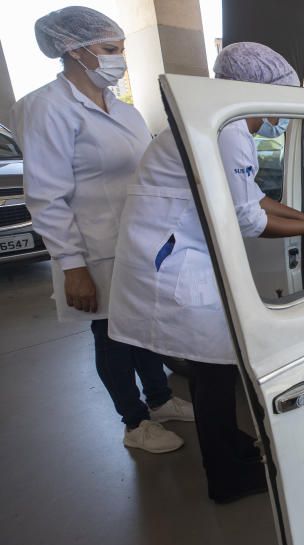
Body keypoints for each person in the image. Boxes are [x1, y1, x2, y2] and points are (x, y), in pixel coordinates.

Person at [108, 42, 304, 503]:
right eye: (284, 94)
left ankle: (231, 446)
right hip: (175, 261)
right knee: (214, 368)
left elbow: (253, 195)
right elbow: (249, 219)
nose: (286, 107)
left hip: (178, 253)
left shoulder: (226, 124)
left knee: (212, 366)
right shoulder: (232, 129)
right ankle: (225, 476)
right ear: (256, 90)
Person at [10, 6, 192, 454]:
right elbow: (47, 196)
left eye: (122, 49)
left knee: (143, 326)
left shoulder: (123, 110)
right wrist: (72, 266)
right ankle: (134, 423)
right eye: (110, 49)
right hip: (93, 250)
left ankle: (160, 399)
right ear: (72, 50)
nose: (120, 59)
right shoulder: (46, 108)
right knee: (111, 334)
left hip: (139, 242)